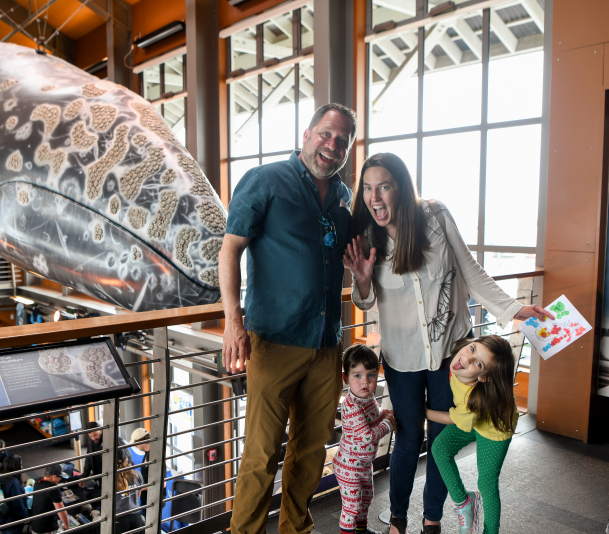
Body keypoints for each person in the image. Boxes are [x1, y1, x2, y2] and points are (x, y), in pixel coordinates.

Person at [343, 152, 553, 534]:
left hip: (451, 355)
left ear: (401, 188)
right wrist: (361, 279)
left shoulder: (435, 218)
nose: (375, 197)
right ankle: (398, 520)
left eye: (384, 186)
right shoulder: (367, 238)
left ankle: (433, 520)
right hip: (402, 358)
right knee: (407, 442)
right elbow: (365, 300)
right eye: (368, 188)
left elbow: (471, 271)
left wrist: (514, 309)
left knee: (441, 442)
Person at [219, 103, 356, 534]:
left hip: (326, 344)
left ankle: (296, 528)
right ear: (307, 133)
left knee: (312, 451)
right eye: (326, 134)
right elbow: (230, 250)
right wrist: (232, 322)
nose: (332, 146)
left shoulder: (342, 196)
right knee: (262, 455)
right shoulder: (265, 181)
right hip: (274, 341)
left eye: (342, 141)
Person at [427, 335, 518, 534]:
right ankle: (464, 501)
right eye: (473, 349)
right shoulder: (458, 362)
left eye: (478, 363)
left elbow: (456, 418)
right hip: (472, 419)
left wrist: (422, 413)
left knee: (486, 482)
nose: (466, 359)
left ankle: (491, 532)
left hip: (494, 427)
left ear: (484, 377)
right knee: (440, 448)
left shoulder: (472, 399)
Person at [333, 345, 396, 534]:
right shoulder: (351, 406)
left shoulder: (368, 399)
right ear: (346, 378)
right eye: (357, 375)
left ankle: (362, 531)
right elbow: (366, 436)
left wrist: (382, 415)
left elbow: (370, 423)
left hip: (363, 463)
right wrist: (389, 425)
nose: (365, 382)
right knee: (351, 507)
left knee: (366, 500)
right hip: (349, 465)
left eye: (371, 375)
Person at [29, 464, 71, 534]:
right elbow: (61, 510)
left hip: (35, 526)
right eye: (60, 478)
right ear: (54, 476)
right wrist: (67, 526)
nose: (60, 480)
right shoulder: (53, 488)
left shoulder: (38, 481)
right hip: (46, 529)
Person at [0, 454, 28, 534]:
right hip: (12, 521)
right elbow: (18, 505)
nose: (21, 467)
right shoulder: (13, 482)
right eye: (20, 465)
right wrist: (25, 517)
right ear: (14, 467)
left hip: (1, 519)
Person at [115, 450, 145, 533]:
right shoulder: (137, 474)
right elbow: (138, 495)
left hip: (120, 517)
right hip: (136, 515)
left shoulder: (111, 480)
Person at [128, 428, 151, 514]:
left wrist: (141, 488)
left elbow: (162, 484)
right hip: (146, 498)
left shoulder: (153, 456)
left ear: (140, 441)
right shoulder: (147, 454)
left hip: (153, 499)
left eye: (135, 444)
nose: (135, 446)